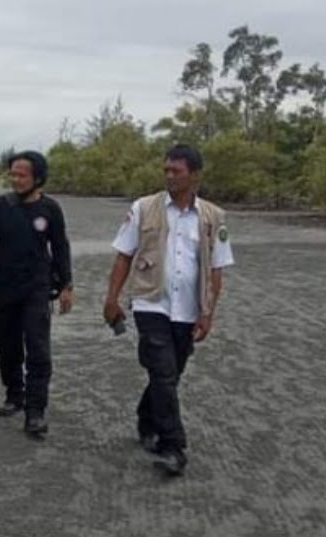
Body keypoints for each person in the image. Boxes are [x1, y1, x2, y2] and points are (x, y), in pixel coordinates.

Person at [102, 144, 234, 476]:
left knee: (171, 374)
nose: (170, 176)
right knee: (162, 371)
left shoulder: (213, 217)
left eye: (177, 171)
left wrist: (208, 312)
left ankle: (147, 418)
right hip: (150, 302)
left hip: (188, 309)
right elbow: (123, 255)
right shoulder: (143, 208)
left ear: (194, 174)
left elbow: (216, 269)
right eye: (166, 170)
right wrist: (111, 298)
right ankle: (174, 445)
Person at [0, 150, 72, 437]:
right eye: (12, 174)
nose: (16, 179)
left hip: (37, 289)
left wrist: (67, 285)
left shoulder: (50, 209)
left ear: (38, 177)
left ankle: (35, 411)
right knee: (8, 348)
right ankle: (14, 394)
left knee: (39, 351)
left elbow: (60, 247)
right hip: (3, 289)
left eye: (22, 175)